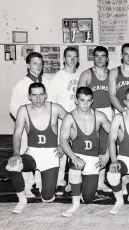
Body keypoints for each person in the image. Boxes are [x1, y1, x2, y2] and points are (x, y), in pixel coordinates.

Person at [6, 82, 67, 214]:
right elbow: (17, 133)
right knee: (13, 165)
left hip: (51, 156)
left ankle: (47, 189)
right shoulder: (23, 110)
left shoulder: (55, 108)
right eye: (34, 95)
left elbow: (72, 124)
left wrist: (63, 144)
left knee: (47, 198)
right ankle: (22, 200)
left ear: (46, 95)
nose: (38, 99)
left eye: (41, 95)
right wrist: (16, 153)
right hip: (33, 153)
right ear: (29, 96)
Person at [60, 87, 111, 218]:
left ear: (92, 101)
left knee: (88, 198)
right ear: (76, 101)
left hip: (93, 159)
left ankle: (79, 190)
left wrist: (107, 154)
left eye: (88, 100)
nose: (85, 104)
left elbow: (114, 134)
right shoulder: (69, 117)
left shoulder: (99, 116)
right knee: (75, 167)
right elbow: (63, 140)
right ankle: (75, 202)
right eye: (82, 100)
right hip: (77, 156)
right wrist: (74, 157)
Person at [9, 52, 49, 198]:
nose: (38, 66)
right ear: (28, 65)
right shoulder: (20, 85)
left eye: (40, 63)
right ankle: (26, 186)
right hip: (26, 127)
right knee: (26, 154)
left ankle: (40, 183)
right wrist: (24, 121)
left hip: (43, 126)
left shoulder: (46, 82)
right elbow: (13, 107)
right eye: (34, 63)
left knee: (42, 154)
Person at [78, 46, 113, 192]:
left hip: (107, 112)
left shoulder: (112, 74)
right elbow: (79, 95)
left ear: (107, 58)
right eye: (97, 56)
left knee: (104, 146)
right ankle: (77, 178)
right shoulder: (86, 74)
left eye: (103, 56)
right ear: (93, 57)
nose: (100, 58)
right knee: (85, 144)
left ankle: (100, 180)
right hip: (89, 112)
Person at [48, 46, 81, 196]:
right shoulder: (57, 78)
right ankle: (59, 181)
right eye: (69, 56)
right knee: (61, 152)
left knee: (77, 150)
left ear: (78, 59)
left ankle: (74, 181)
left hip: (78, 119)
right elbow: (51, 104)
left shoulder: (82, 76)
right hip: (62, 119)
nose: (72, 59)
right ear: (64, 59)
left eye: (75, 56)